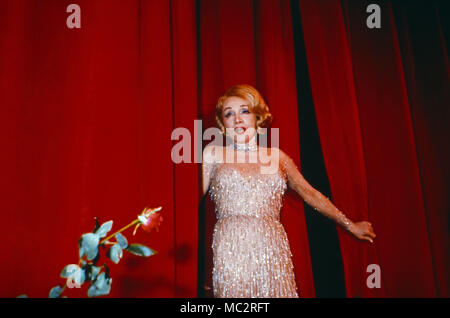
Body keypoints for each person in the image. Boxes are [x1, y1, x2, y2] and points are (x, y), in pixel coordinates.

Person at [201, 84, 376, 298]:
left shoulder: (278, 157)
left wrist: (350, 225)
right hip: (231, 244)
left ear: (257, 116)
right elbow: (191, 204)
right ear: (223, 124)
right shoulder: (213, 153)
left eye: (244, 111)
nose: (237, 119)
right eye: (229, 114)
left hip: (272, 244)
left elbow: (310, 193)